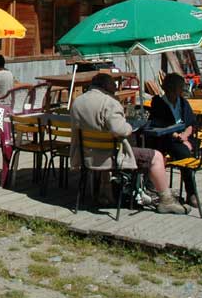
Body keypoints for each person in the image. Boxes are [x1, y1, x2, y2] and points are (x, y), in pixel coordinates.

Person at [70, 73, 188, 215]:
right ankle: (166, 200)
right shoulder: (109, 103)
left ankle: (116, 190)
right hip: (111, 157)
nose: (116, 87)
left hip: (87, 155)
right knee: (156, 156)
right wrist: (129, 126)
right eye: (114, 84)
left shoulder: (77, 102)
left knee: (140, 151)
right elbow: (120, 130)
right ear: (106, 85)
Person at [146, 73, 200, 208]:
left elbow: (191, 122)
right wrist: (177, 136)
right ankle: (157, 187)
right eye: (180, 87)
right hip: (166, 138)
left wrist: (185, 136)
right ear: (170, 88)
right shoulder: (158, 102)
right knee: (183, 152)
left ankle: (191, 192)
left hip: (182, 137)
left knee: (185, 154)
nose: (182, 90)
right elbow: (159, 124)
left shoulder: (183, 102)